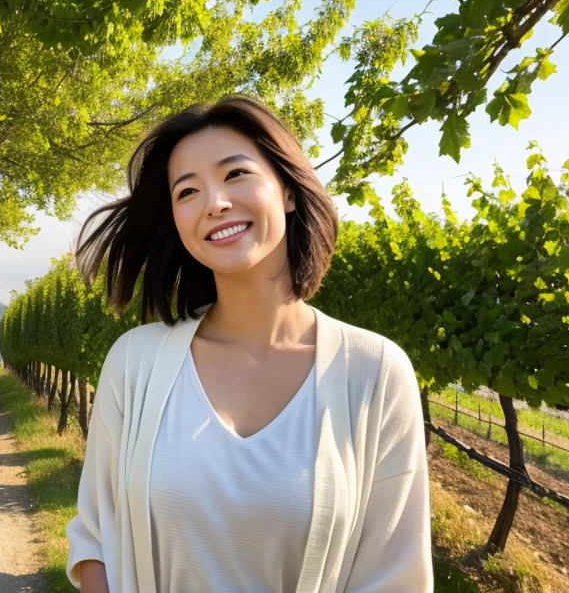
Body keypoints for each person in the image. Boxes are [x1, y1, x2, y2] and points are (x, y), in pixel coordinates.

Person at [66, 96, 433, 593]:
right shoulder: (136, 364)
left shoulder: (374, 373)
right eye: (188, 190)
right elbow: (94, 543)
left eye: (235, 174)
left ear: (286, 190)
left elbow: (398, 577)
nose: (214, 201)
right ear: (176, 218)